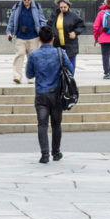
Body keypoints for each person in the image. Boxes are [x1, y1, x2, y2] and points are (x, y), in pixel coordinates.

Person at [26, 25, 73, 164]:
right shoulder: (60, 52)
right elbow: (70, 69)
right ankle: (56, 152)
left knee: (42, 125)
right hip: (57, 94)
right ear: (53, 39)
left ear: (39, 39)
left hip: (41, 93)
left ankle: (44, 154)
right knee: (56, 124)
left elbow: (29, 74)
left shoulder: (34, 55)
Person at [7, 0, 44, 84]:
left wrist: (43, 32)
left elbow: (42, 20)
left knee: (32, 58)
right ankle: (17, 76)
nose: (27, 1)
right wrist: (9, 32)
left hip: (33, 37)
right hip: (20, 36)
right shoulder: (16, 7)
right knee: (19, 56)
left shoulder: (37, 6)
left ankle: (31, 77)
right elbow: (11, 21)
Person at [46, 0, 84, 68]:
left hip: (70, 45)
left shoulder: (74, 16)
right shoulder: (54, 15)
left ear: (68, 6)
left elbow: (81, 25)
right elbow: (49, 25)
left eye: (65, 7)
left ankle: (69, 79)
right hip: (57, 45)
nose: (63, 9)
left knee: (70, 66)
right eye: (61, 7)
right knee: (57, 66)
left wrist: (75, 32)